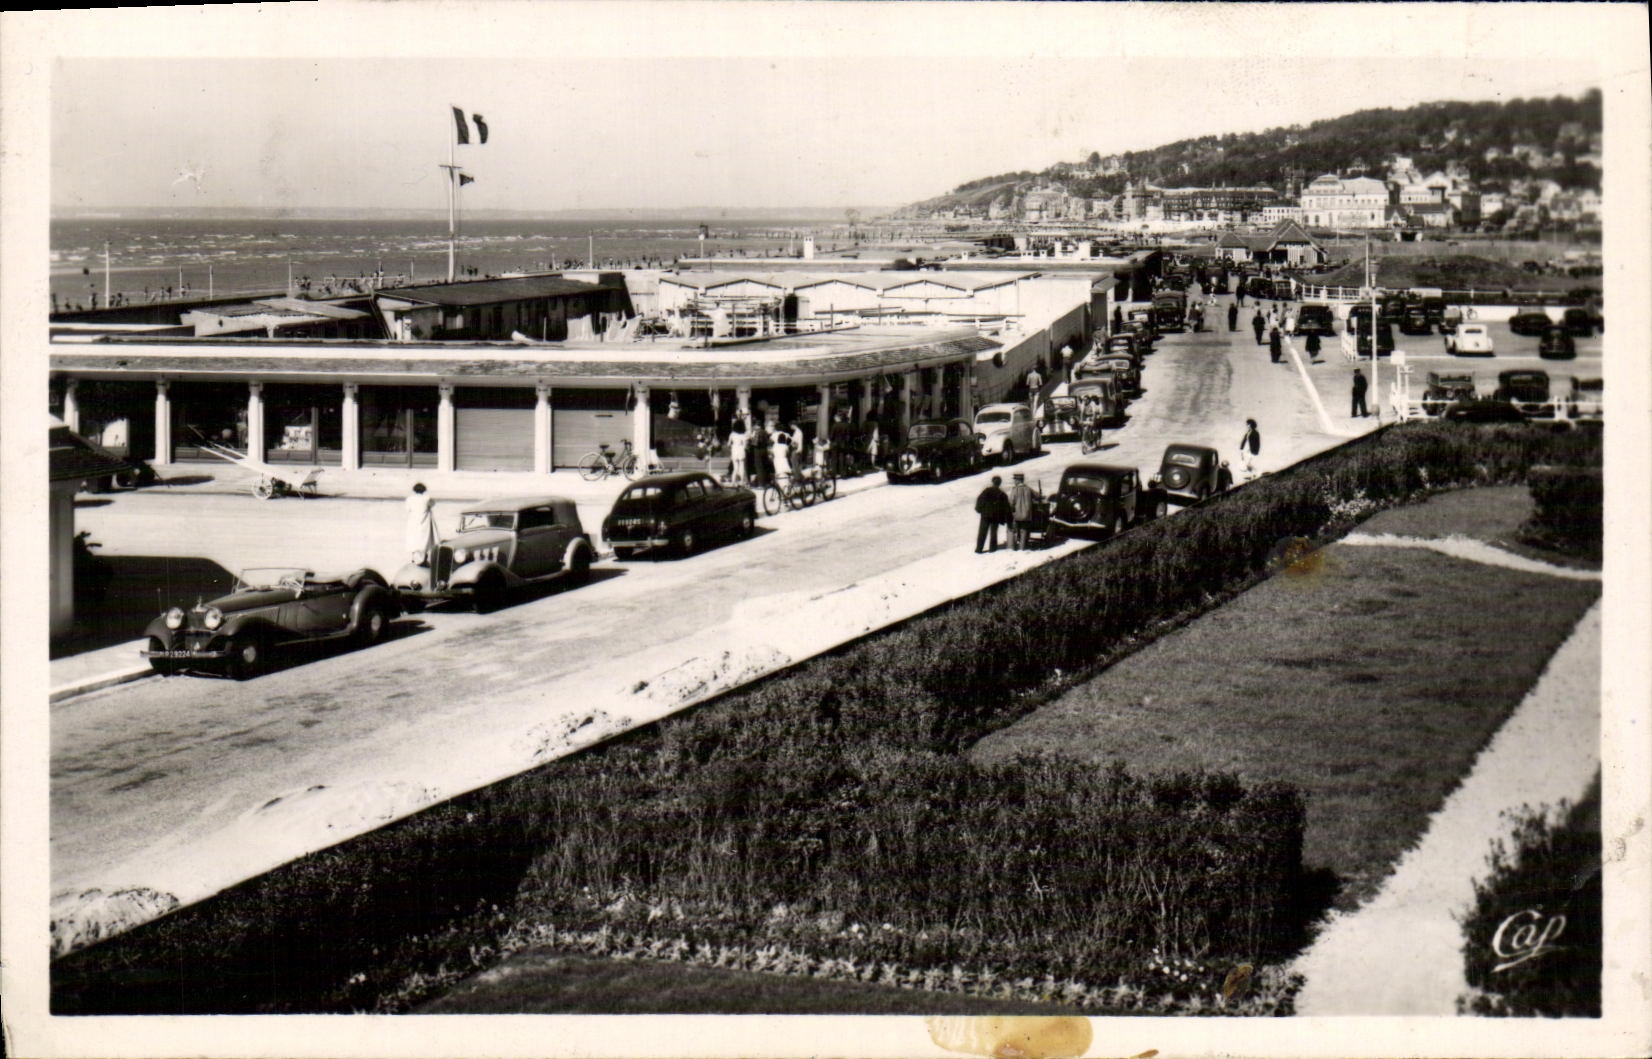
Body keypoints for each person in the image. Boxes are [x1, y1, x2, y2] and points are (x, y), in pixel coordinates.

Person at [974, 475, 1010, 553]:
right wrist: (1004, 518)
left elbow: (979, 500)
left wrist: (980, 510)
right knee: (994, 532)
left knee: (982, 532)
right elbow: (1006, 507)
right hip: (995, 516)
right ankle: (993, 548)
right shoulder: (1002, 494)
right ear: (1000, 483)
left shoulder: (986, 491)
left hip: (985, 515)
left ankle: (979, 549)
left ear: (992, 482)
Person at [404, 482, 435, 557]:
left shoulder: (410, 498)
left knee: (414, 536)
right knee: (424, 537)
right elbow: (433, 504)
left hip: (413, 520)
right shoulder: (427, 498)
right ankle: (424, 554)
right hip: (425, 520)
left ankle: (414, 555)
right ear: (424, 490)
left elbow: (407, 509)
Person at [1009, 472, 1036, 550]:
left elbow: (1011, 502)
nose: (1014, 481)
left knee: (1014, 531)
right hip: (1027, 515)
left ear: (1018, 480)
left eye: (1015, 480)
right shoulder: (1028, 489)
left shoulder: (1015, 489)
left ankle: (1013, 548)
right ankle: (1022, 548)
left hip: (1017, 515)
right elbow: (1037, 496)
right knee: (1024, 531)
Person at [728, 420, 749, 484]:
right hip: (741, 449)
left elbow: (728, 444)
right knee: (742, 467)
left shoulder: (732, 434)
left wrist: (732, 446)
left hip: (734, 449)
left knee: (735, 468)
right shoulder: (743, 435)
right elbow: (745, 445)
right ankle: (742, 481)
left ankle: (733, 481)